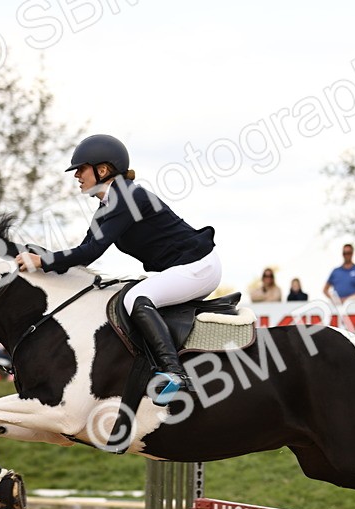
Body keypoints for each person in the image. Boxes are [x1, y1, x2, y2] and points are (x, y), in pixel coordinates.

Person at [16, 134, 220, 405]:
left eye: (81, 169)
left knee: (135, 298)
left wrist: (43, 261)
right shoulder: (109, 205)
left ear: (103, 170)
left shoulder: (126, 196)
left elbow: (90, 252)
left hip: (198, 267)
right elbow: (84, 254)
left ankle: (175, 374)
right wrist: (44, 259)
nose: (77, 176)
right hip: (187, 267)